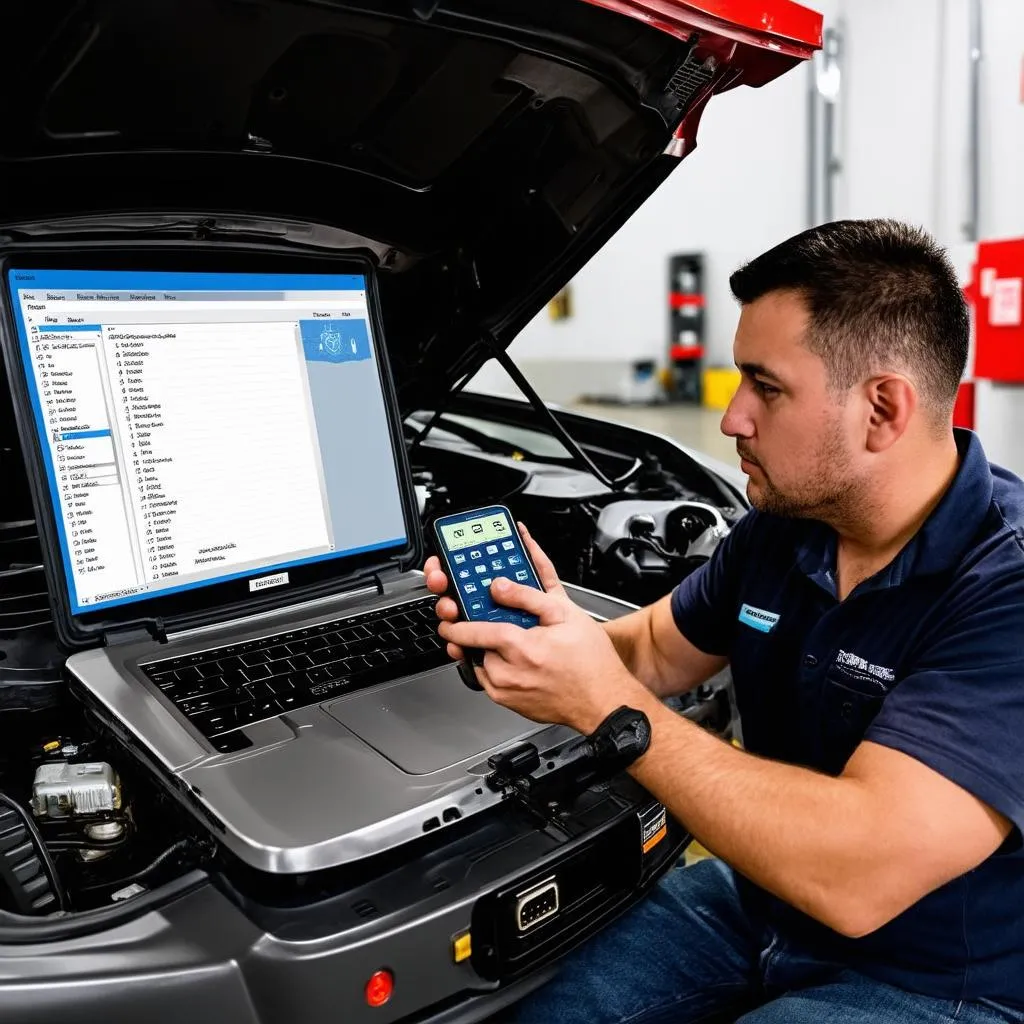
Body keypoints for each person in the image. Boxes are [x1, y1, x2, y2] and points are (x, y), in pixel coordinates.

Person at [424, 219, 1024, 1023]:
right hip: (761, 904)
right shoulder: (786, 526)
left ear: (882, 409)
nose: (733, 418)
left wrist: (607, 705)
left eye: (765, 386)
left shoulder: (1005, 585)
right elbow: (653, 649)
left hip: (937, 979)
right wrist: (549, 632)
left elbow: (859, 876)